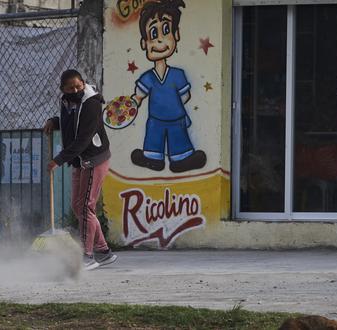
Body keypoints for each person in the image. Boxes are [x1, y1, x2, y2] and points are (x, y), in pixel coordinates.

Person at [44, 69, 117, 271]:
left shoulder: (92, 103)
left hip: (94, 158)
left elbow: (83, 138)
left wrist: (58, 160)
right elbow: (71, 123)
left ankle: (87, 255)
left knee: (86, 206)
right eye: (70, 88)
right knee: (79, 207)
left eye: (78, 86)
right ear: (63, 90)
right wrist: (54, 121)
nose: (76, 90)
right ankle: (103, 251)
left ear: (83, 83)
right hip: (80, 161)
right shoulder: (67, 102)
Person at [130, 0, 206, 173]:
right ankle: (152, 158)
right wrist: (130, 105)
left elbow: (185, 95)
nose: (159, 39)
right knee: (153, 138)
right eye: (153, 33)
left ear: (176, 35)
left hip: (176, 119)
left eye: (166, 30)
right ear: (144, 43)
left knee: (179, 140)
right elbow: (139, 96)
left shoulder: (177, 74)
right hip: (155, 119)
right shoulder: (148, 77)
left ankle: (181, 160)